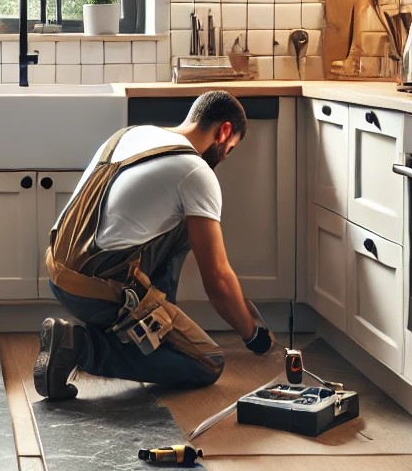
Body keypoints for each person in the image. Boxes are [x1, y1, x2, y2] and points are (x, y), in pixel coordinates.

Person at [34, 90, 276, 400]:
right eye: (229, 148)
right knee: (206, 364)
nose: (225, 156)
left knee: (187, 221)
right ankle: (79, 346)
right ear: (224, 131)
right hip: (98, 293)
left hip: (60, 272)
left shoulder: (133, 134)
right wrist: (254, 335)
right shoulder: (194, 171)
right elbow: (217, 279)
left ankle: (152, 332)